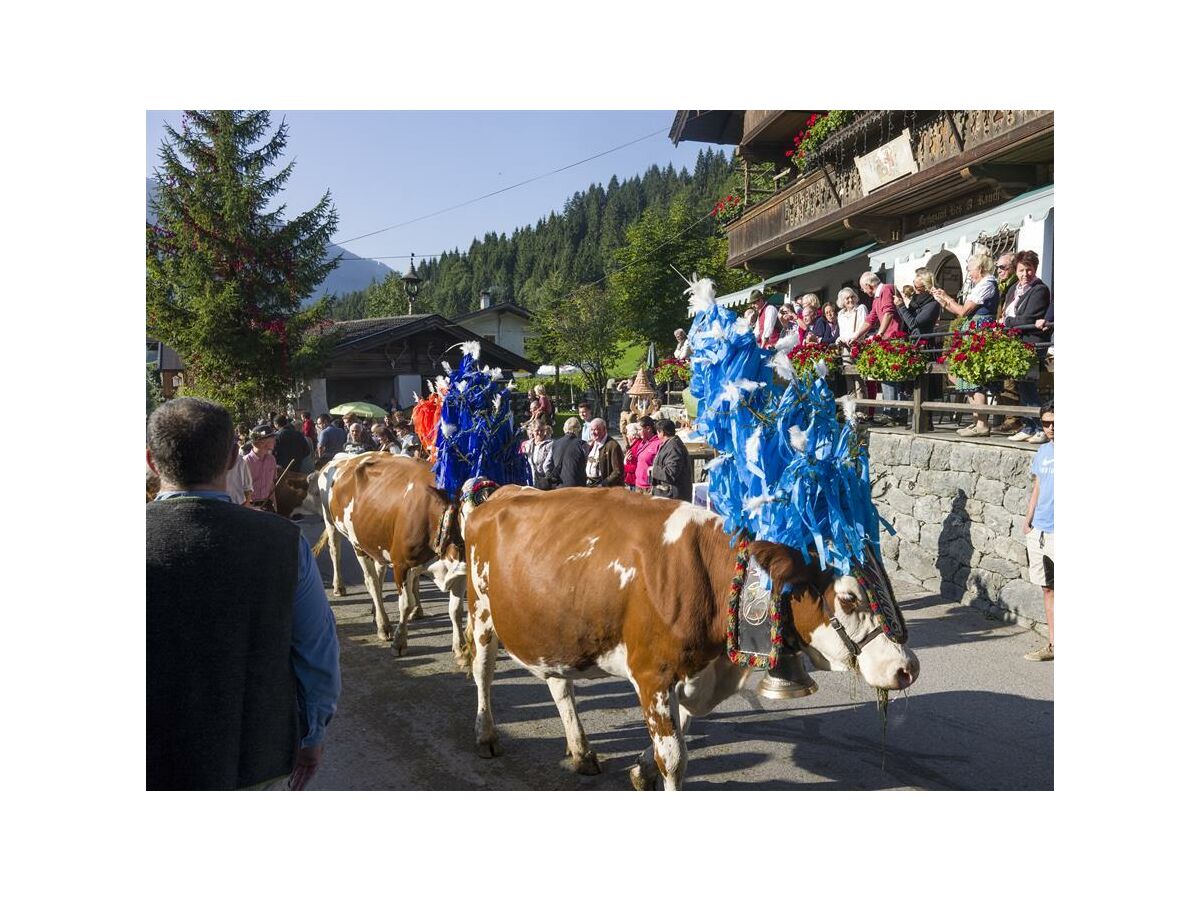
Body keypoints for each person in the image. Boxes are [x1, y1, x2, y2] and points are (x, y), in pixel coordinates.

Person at [146, 397, 340, 790]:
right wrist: (312, 734)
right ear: (235, 456)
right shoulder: (284, 542)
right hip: (255, 753)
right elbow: (317, 651)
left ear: (150, 460)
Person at [933, 251, 1001, 436]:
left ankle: (982, 424)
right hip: (971, 331)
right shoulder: (981, 285)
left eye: (970, 269)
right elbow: (961, 311)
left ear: (980, 268)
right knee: (961, 375)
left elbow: (962, 311)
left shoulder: (987, 284)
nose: (969, 273)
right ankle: (976, 421)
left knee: (972, 378)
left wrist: (947, 298)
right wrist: (944, 299)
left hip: (978, 332)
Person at [1003, 250, 1053, 444]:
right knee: (1021, 385)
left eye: (1029, 270)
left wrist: (1007, 321)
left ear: (1035, 269)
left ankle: (1040, 427)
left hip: (1032, 342)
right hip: (1015, 343)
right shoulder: (1013, 289)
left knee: (1029, 385)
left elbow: (1029, 318)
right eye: (1022, 270)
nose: (1025, 274)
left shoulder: (1039, 289)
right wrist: (1009, 321)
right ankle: (1029, 425)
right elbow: (1010, 314)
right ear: (1016, 270)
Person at [851, 271, 908, 426]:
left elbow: (889, 313)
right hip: (885, 341)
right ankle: (892, 413)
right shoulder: (876, 299)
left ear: (869, 285)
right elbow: (871, 319)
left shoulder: (887, 289)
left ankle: (893, 414)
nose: (864, 292)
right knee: (887, 377)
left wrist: (880, 334)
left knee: (892, 378)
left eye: (864, 289)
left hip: (893, 339)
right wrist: (856, 336)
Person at [1022, 401, 1054, 662]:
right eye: (1046, 423)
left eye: (1056, 423)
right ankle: (1054, 645)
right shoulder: (1042, 452)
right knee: (1048, 588)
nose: (1051, 428)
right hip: (1040, 530)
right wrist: (1028, 518)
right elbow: (1038, 487)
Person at [836, 287, 867, 406]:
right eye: (847, 298)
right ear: (842, 301)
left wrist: (854, 338)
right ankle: (851, 409)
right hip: (845, 347)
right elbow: (842, 331)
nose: (850, 300)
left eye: (852, 296)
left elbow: (863, 327)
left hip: (857, 345)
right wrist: (841, 339)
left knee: (859, 379)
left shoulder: (860, 309)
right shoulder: (840, 314)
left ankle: (862, 410)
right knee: (848, 378)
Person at [649, 418, 692, 500]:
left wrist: (653, 470)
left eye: (657, 432)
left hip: (673, 497)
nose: (656, 434)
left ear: (662, 432)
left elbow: (671, 473)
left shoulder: (674, 447)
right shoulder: (669, 444)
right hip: (668, 495)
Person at [894, 267, 941, 339]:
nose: (914, 289)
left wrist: (901, 306)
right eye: (914, 284)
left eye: (917, 287)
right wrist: (899, 304)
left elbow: (913, 324)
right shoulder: (916, 299)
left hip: (922, 343)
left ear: (926, 287)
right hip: (910, 339)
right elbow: (906, 319)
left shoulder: (933, 304)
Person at [243, 425, 279, 511]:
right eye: (272, 439)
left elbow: (271, 484)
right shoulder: (245, 462)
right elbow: (240, 489)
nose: (275, 441)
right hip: (250, 507)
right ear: (262, 442)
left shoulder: (272, 460)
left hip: (268, 505)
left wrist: (275, 504)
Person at [548, 417, 588, 488]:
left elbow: (549, 464)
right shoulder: (582, 444)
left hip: (558, 486)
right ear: (578, 430)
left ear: (564, 429)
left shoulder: (555, 443)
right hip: (576, 486)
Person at [586, 418, 625, 488]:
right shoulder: (593, 443)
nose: (593, 432)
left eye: (596, 429)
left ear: (604, 430)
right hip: (590, 485)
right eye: (591, 430)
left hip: (604, 488)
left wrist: (604, 484)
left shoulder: (613, 445)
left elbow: (618, 471)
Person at [632, 416, 662, 495]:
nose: (638, 432)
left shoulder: (658, 443)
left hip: (650, 488)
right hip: (638, 485)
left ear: (648, 429)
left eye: (640, 430)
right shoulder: (642, 443)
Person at [528, 423, 556, 489]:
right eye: (537, 430)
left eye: (542, 430)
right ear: (532, 431)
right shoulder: (529, 444)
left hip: (546, 481)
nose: (540, 433)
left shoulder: (551, 444)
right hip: (532, 480)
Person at [623, 422, 644, 490]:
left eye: (628, 434)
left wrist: (624, 465)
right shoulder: (635, 445)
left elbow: (635, 467)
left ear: (633, 435)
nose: (626, 436)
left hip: (635, 480)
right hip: (634, 480)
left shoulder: (636, 447)